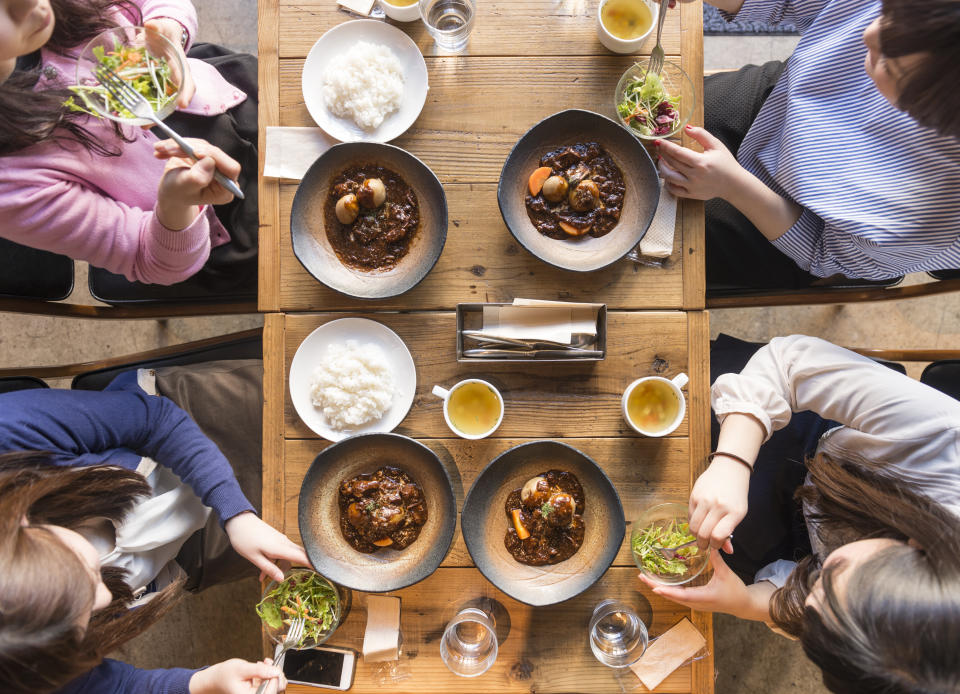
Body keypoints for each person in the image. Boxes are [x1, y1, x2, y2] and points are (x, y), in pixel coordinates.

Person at [641, 334, 960, 694]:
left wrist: (744, 603)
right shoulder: (948, 444)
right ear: (921, 547)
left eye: (820, 619)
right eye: (833, 574)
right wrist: (733, 461)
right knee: (687, 378)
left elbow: (798, 601)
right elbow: (788, 363)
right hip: (819, 436)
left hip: (806, 527)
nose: (812, 589)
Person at [0, 361, 307, 693]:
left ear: (19, 520)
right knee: (310, 540)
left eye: (84, 576)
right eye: (81, 625)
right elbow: (122, 687)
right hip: (178, 551)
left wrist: (236, 513)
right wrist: (204, 682)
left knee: (305, 407)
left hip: (177, 425)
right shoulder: (23, 666)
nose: (106, 599)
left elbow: (154, 421)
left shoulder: (8, 434)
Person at [657, 0, 960, 289]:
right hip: (781, 101)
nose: (868, 33)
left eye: (890, 66)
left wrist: (732, 185)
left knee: (657, 237)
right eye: (887, 12)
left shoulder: (933, 219)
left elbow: (819, 250)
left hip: (787, 220)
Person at [0, 0, 257, 290]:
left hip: (232, 89)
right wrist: (176, 204)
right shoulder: (9, 183)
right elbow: (151, 260)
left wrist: (170, 29)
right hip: (222, 220)